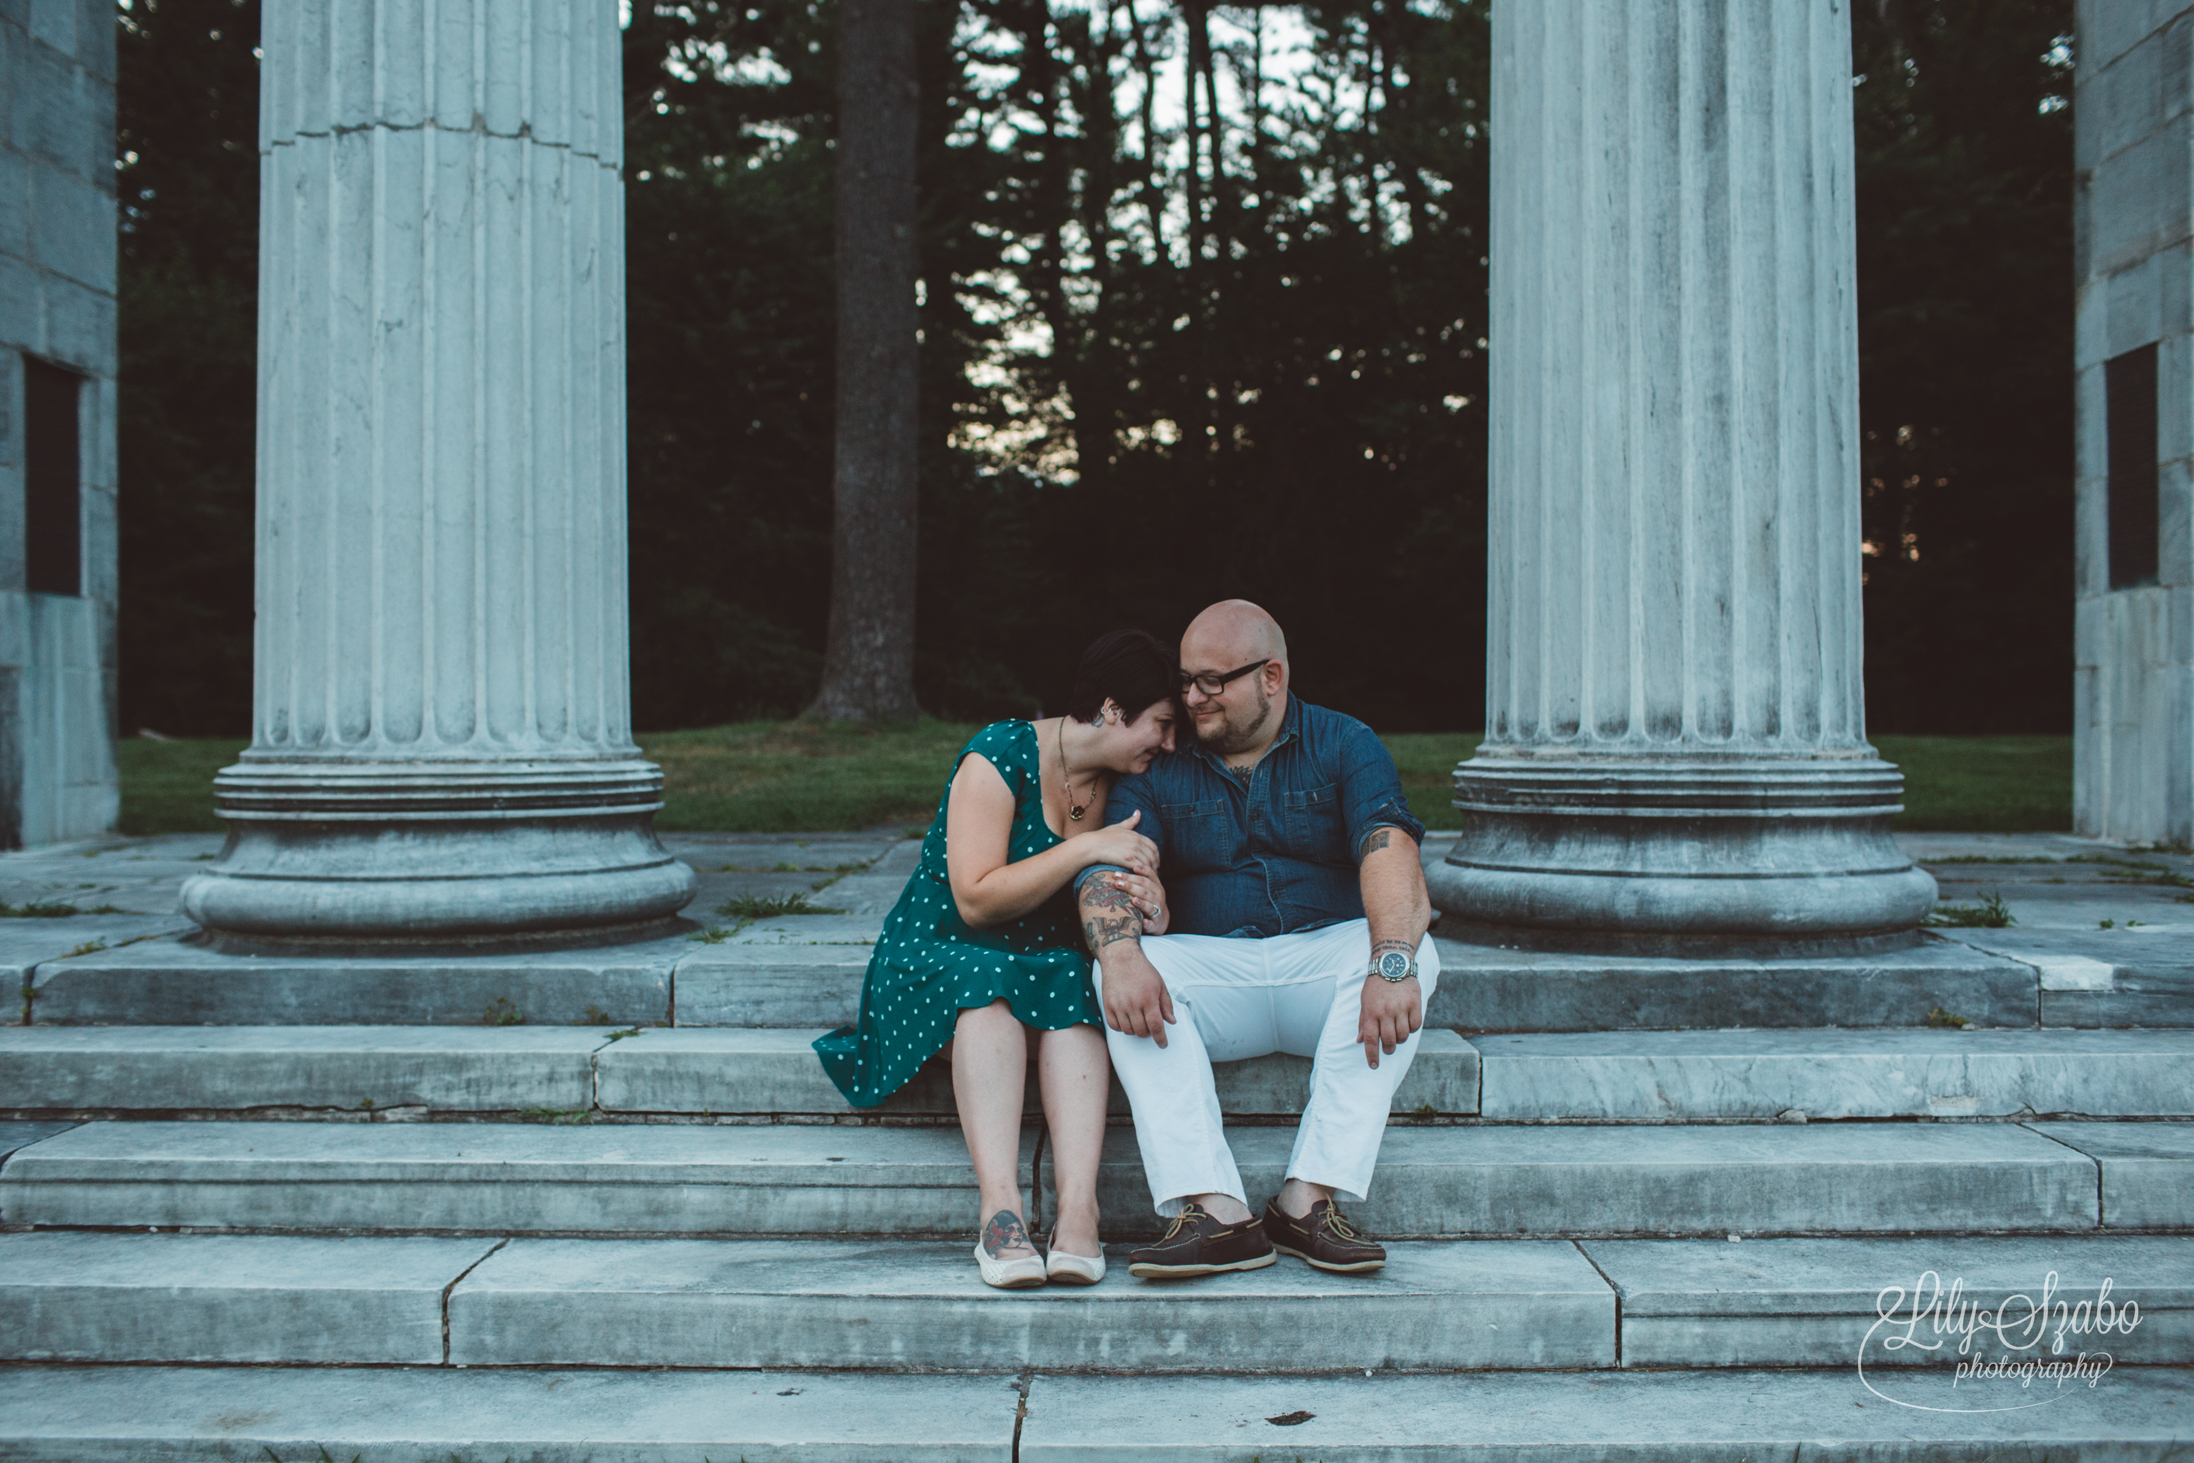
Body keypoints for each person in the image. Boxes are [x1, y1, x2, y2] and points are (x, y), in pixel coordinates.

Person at [1075, 600, 1437, 1279]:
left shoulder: (1343, 742)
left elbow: (1388, 846)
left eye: (1212, 681)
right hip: (1216, 974)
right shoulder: (1163, 764)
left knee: (1411, 949)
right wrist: (1121, 943)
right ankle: (1216, 1212)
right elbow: (1112, 859)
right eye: (1186, 681)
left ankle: (1308, 1199)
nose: (1191, 697)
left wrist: (1390, 961)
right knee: (1115, 969)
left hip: (1323, 965)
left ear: (1271, 676)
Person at [814, 630, 1180, 1289]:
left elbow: (1123, 885)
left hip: (1041, 960)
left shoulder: (1127, 785)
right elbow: (976, 899)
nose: (1170, 743)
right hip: (942, 951)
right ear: (1113, 708)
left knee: (1075, 982)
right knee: (988, 986)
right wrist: (1083, 848)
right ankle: (1000, 1210)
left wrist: (1152, 902)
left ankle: (1078, 1211)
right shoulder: (998, 755)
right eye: (1161, 724)